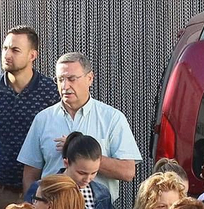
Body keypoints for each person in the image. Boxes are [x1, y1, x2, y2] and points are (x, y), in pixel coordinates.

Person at [19, 52, 141, 199]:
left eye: (71, 79)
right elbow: (30, 173)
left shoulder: (112, 118)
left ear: (89, 78)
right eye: (60, 79)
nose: (65, 86)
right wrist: (31, 207)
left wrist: (83, 153)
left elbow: (128, 172)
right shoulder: (43, 119)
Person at [0, 25, 58, 209]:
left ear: (33, 55)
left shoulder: (50, 91)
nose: (7, 54)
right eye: (5, 48)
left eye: (15, 50)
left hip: (40, 192)